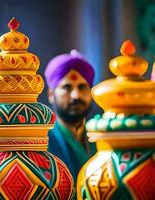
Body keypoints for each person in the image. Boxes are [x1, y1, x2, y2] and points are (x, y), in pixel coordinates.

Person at [44, 50, 96, 182]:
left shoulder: (101, 136)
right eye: (67, 87)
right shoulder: (40, 141)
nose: (76, 96)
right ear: (51, 94)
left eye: (82, 87)